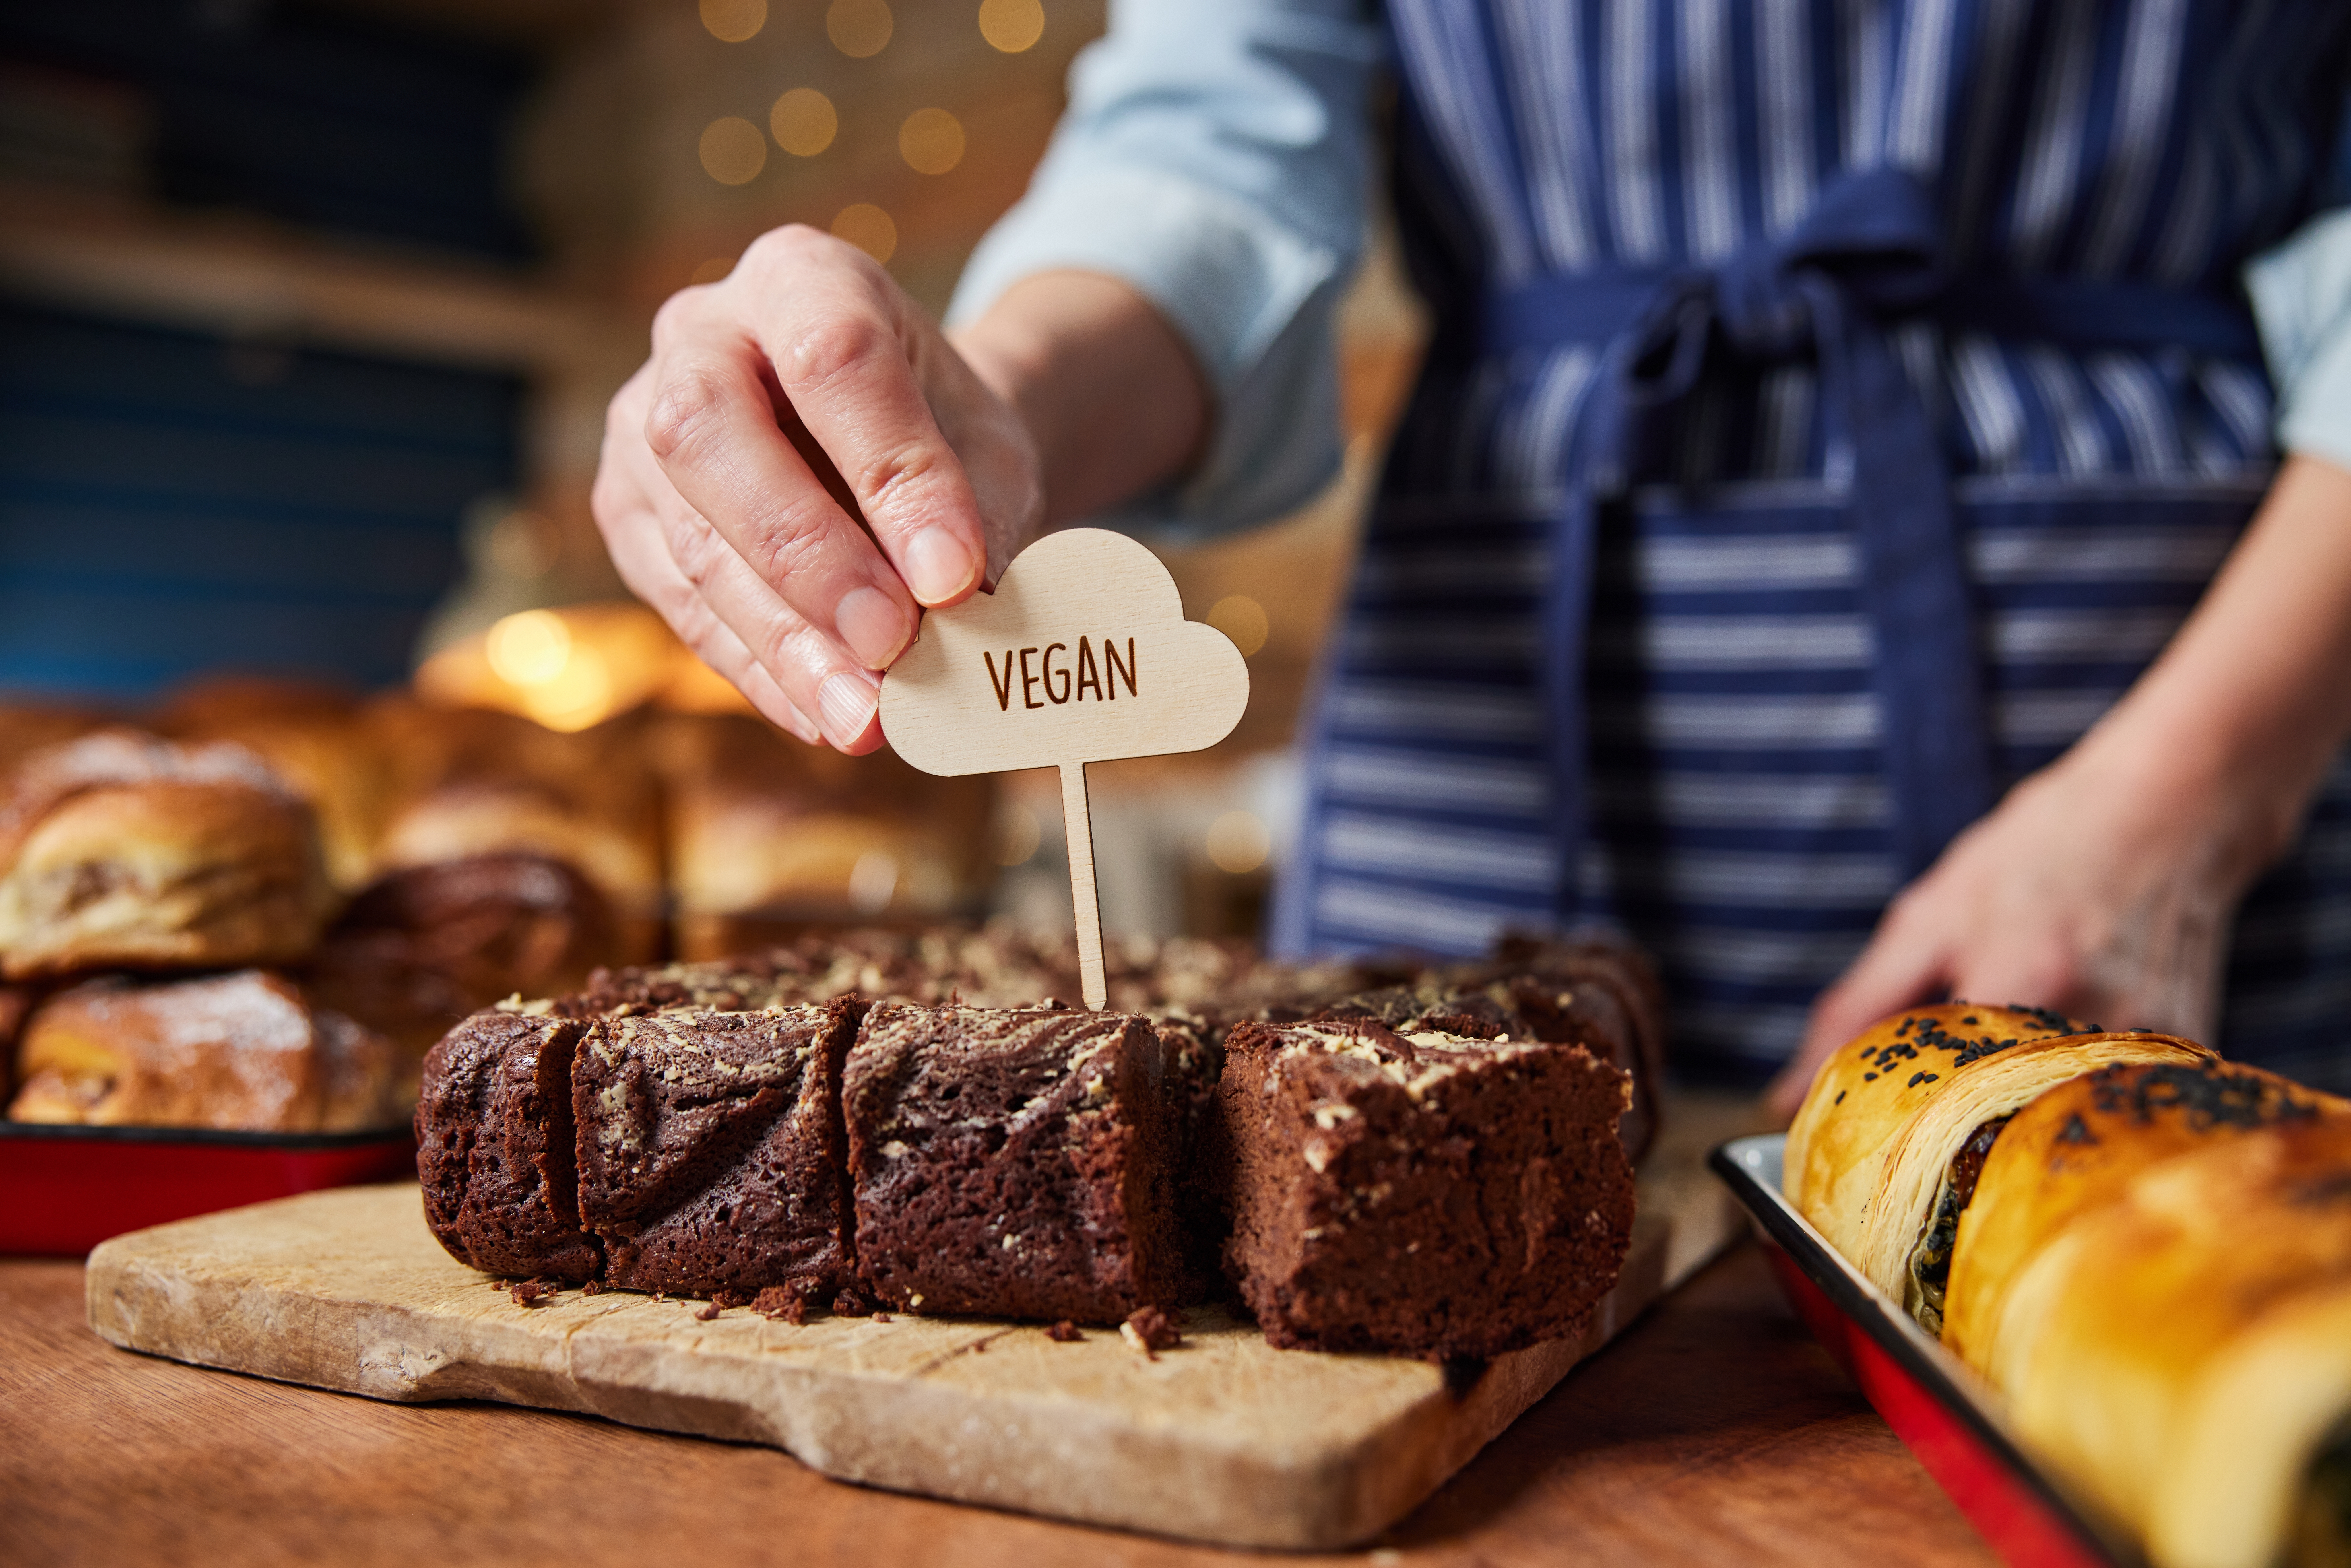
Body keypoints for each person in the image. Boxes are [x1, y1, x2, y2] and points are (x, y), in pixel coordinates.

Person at [592, 1, 2351, 1109]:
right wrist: (993, 410)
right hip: (1485, 763)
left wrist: (2192, 794)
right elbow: (1216, 148)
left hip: (2214, 776)